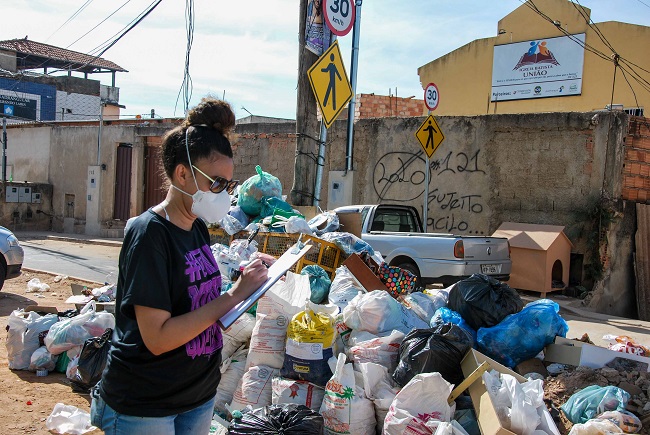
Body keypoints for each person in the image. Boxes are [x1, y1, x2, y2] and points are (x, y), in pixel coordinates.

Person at [90, 97, 268, 434]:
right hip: (146, 404)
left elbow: (200, 307)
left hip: (197, 395)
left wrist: (252, 284)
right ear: (183, 173)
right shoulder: (149, 235)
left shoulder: (197, 226)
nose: (224, 194)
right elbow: (157, 337)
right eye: (216, 183)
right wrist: (233, 297)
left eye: (228, 185)